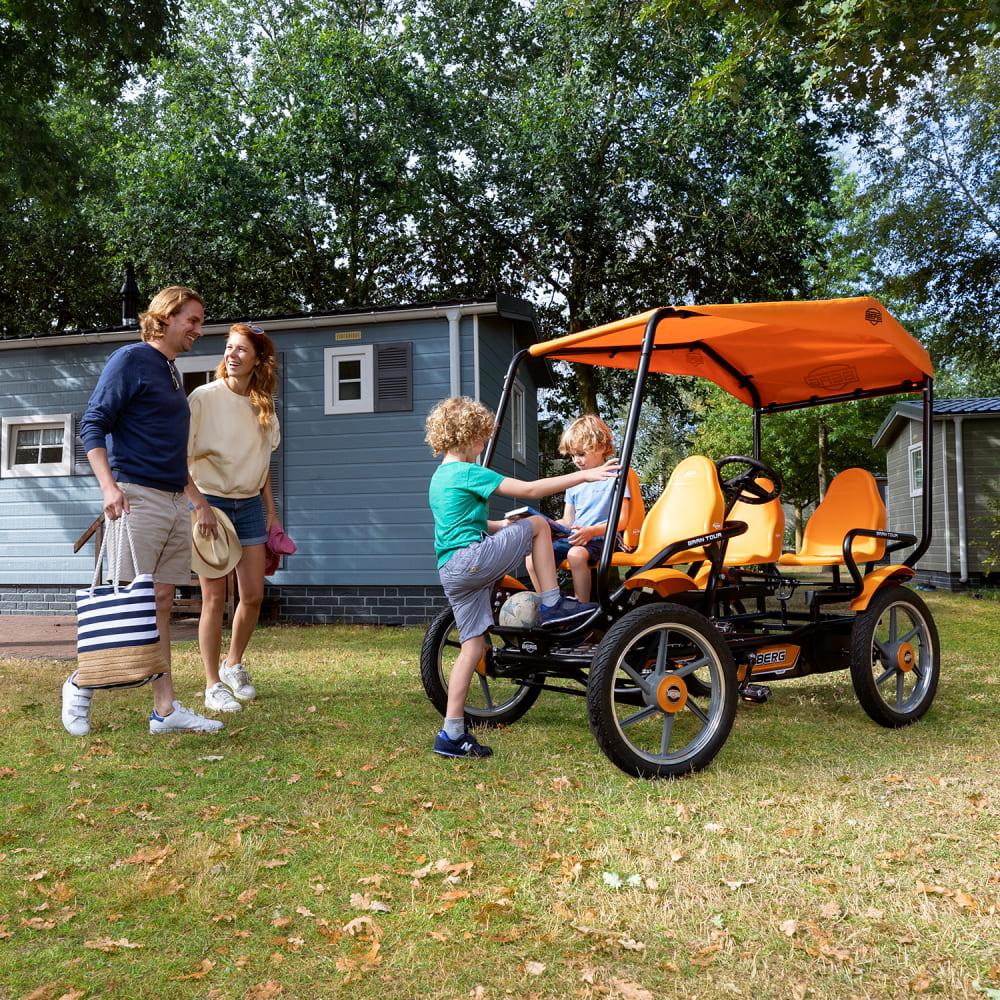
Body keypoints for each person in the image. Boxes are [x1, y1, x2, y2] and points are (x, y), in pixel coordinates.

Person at [62, 286, 224, 737]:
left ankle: (165, 709)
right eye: (192, 319)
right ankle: (80, 683)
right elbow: (93, 424)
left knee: (161, 604)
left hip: (172, 500)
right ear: (167, 317)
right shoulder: (131, 359)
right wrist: (109, 488)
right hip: (136, 498)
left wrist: (196, 501)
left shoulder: (171, 371)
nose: (199, 329)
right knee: (124, 603)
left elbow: (170, 451)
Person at [425, 396, 619, 759]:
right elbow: (530, 490)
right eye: (482, 439)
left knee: (472, 646)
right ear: (467, 437)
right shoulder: (468, 472)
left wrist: (504, 526)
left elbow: (471, 522)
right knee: (537, 525)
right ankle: (552, 603)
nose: (483, 445)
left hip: (451, 569)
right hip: (473, 561)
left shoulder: (439, 478)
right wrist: (585, 474)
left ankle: (451, 733)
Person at [187, 323, 281, 713]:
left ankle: (233, 664)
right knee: (213, 598)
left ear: (258, 359)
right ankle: (212, 684)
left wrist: (272, 515)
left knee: (253, 596)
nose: (232, 354)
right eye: (229, 347)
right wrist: (200, 506)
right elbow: (181, 457)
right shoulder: (203, 397)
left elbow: (263, 467)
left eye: (242, 349)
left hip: (249, 508)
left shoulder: (263, 405)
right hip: (210, 502)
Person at [525, 414, 632, 603]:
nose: (576, 460)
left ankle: (581, 608)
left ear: (600, 447)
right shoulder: (575, 483)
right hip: (577, 536)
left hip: (603, 537)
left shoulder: (616, 477)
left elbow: (622, 521)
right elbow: (568, 520)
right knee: (531, 558)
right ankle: (549, 604)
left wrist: (591, 531)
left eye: (581, 454)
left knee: (575, 555)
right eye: (573, 455)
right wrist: (546, 524)